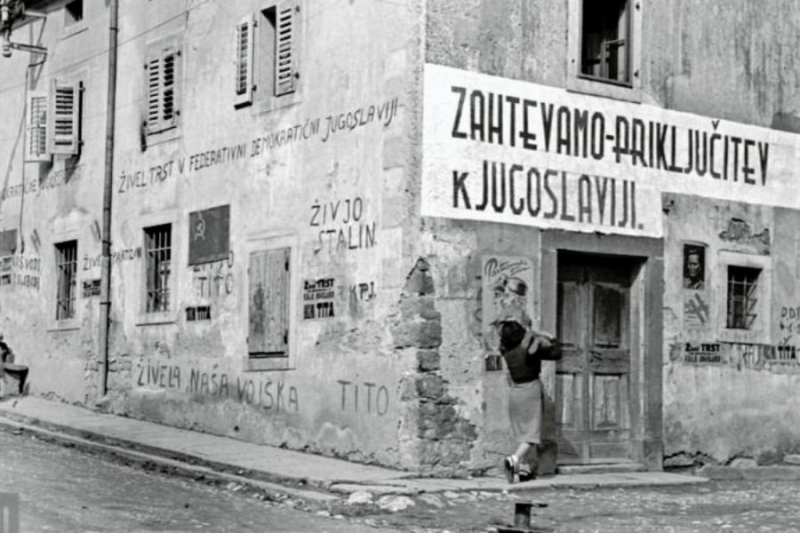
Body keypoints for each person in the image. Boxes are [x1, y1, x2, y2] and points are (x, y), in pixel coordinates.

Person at [494, 305, 560, 483]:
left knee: (523, 432)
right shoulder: (529, 350)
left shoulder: (506, 350)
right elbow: (556, 354)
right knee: (532, 433)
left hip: (515, 391)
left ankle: (520, 471)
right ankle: (514, 459)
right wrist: (551, 338)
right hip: (530, 390)